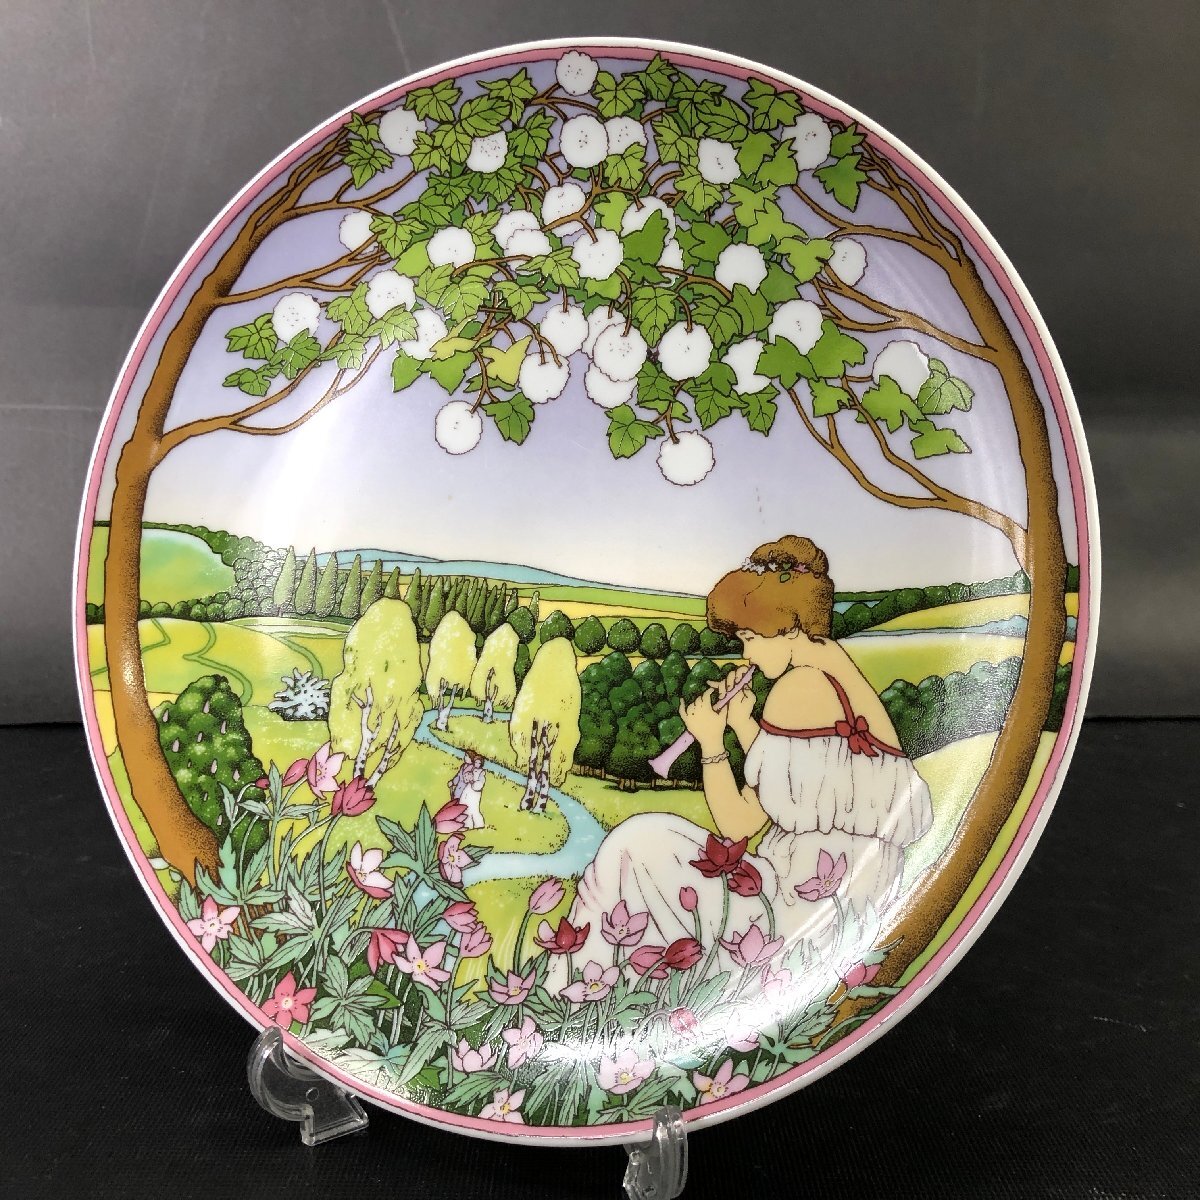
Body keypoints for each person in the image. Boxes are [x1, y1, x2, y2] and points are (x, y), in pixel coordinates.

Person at [559, 536, 934, 983]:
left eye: (750, 637)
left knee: (633, 845)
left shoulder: (799, 687)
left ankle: (574, 984)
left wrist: (710, 743)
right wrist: (741, 723)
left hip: (799, 910)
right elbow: (803, 789)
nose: (747, 653)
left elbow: (739, 824)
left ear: (788, 627)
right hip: (848, 899)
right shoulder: (839, 675)